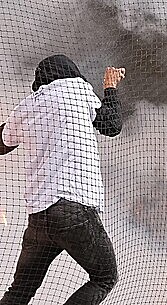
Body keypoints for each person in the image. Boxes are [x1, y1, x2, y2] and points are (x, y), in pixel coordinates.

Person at [0, 54, 125, 305]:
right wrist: (110, 88)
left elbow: (2, 143)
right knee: (104, 277)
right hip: (73, 209)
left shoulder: (26, 106)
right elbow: (111, 125)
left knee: (20, 291)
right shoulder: (76, 89)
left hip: (39, 218)